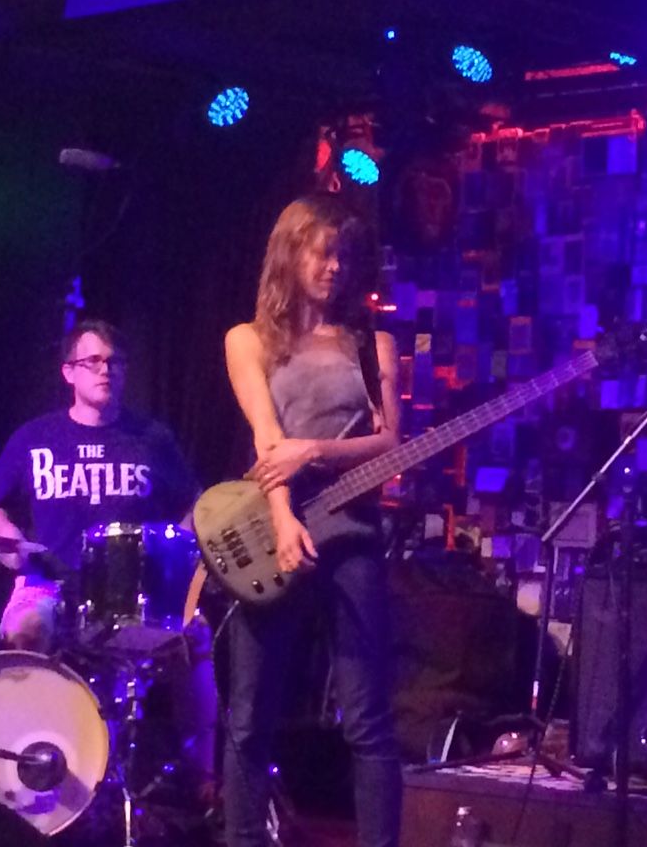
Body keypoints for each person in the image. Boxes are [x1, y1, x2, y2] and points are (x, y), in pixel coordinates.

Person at [222, 195, 403, 847]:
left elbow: (391, 443)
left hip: (353, 536)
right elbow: (267, 437)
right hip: (271, 533)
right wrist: (282, 518)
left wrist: (316, 450)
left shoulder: (370, 344)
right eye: (324, 253)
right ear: (290, 252)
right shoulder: (248, 340)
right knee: (250, 716)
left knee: (368, 719)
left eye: (345, 256)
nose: (335, 268)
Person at [0, 318, 216, 791]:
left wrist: (173, 549)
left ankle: (203, 779)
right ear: (68, 372)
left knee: (196, 635)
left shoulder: (152, 437)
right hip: (48, 581)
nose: (106, 370)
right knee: (26, 627)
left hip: (132, 590)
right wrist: (9, 540)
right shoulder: (36, 436)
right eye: (93, 361)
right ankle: (24, 763)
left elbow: (196, 503)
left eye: (114, 362)